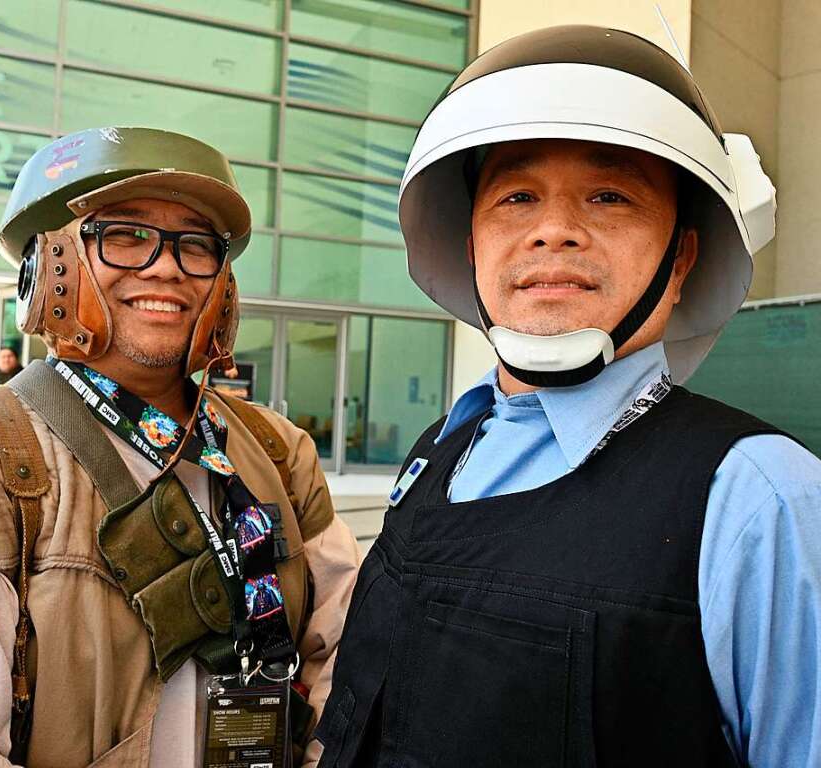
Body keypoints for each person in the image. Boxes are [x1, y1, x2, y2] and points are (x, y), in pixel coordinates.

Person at [315, 26, 821, 768]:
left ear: (682, 257)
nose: (553, 230)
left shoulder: (761, 500)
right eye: (516, 196)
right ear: (471, 244)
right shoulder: (440, 449)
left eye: (610, 195)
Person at [0, 127, 360, 767]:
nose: (166, 264)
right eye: (125, 235)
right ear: (45, 265)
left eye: (196, 245)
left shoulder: (276, 451)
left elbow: (352, 657)